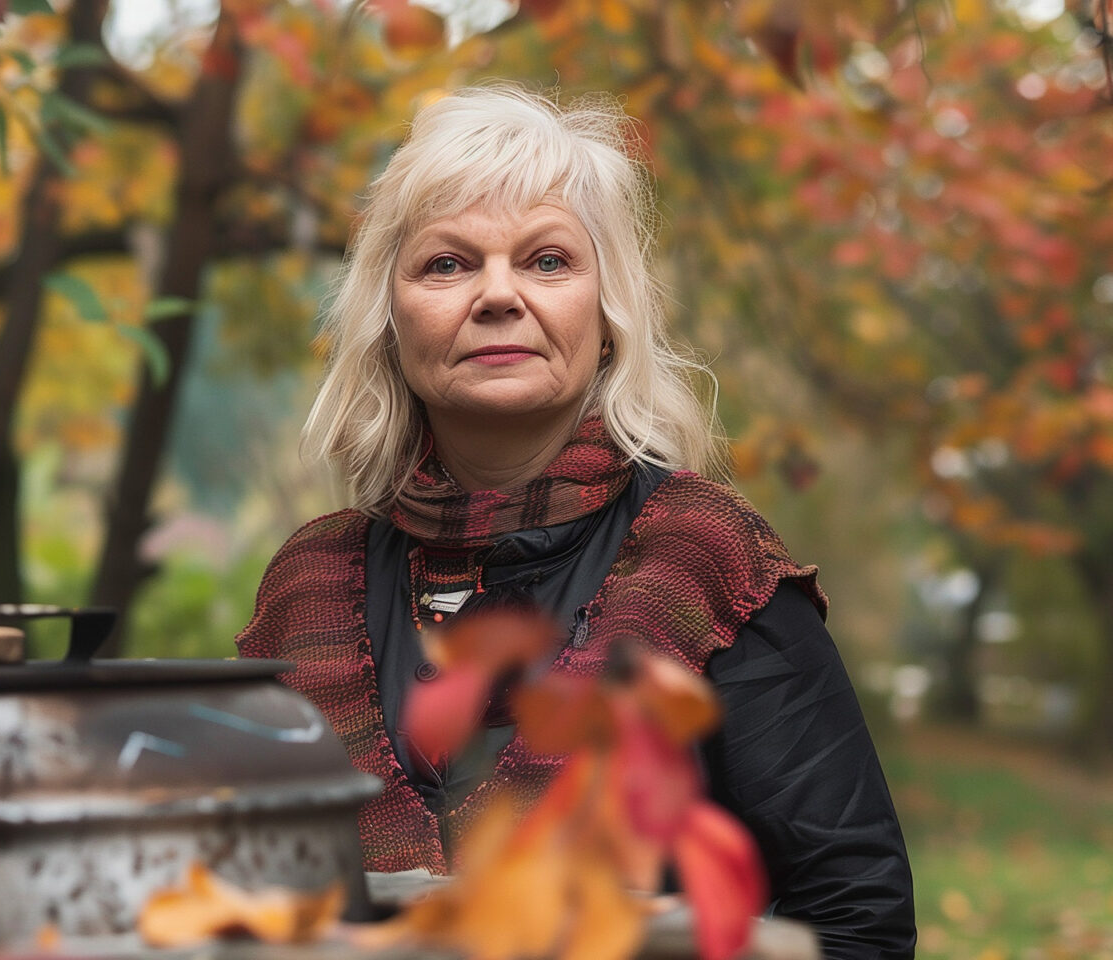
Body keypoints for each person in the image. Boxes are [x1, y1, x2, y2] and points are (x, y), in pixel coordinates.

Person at [235, 84, 916, 959]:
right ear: (389, 322)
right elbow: (238, 893)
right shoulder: (307, 585)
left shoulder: (709, 563)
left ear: (607, 317)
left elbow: (857, 918)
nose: (497, 296)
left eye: (547, 261)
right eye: (446, 264)